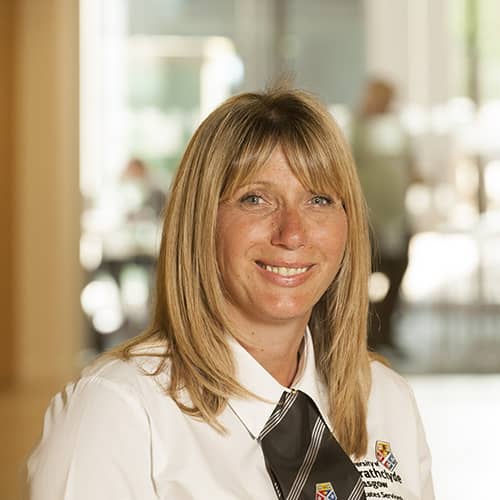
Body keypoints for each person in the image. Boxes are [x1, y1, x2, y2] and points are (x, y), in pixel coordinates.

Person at [27, 87, 434, 499]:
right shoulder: (117, 412)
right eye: (255, 199)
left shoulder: (386, 400)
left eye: (318, 199)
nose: (292, 233)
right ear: (200, 221)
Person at [352, 79, 414, 352]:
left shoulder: (397, 129)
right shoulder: (356, 129)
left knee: (397, 270)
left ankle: (386, 331)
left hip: (397, 216)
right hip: (368, 218)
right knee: (364, 277)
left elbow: (410, 165)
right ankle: (365, 335)